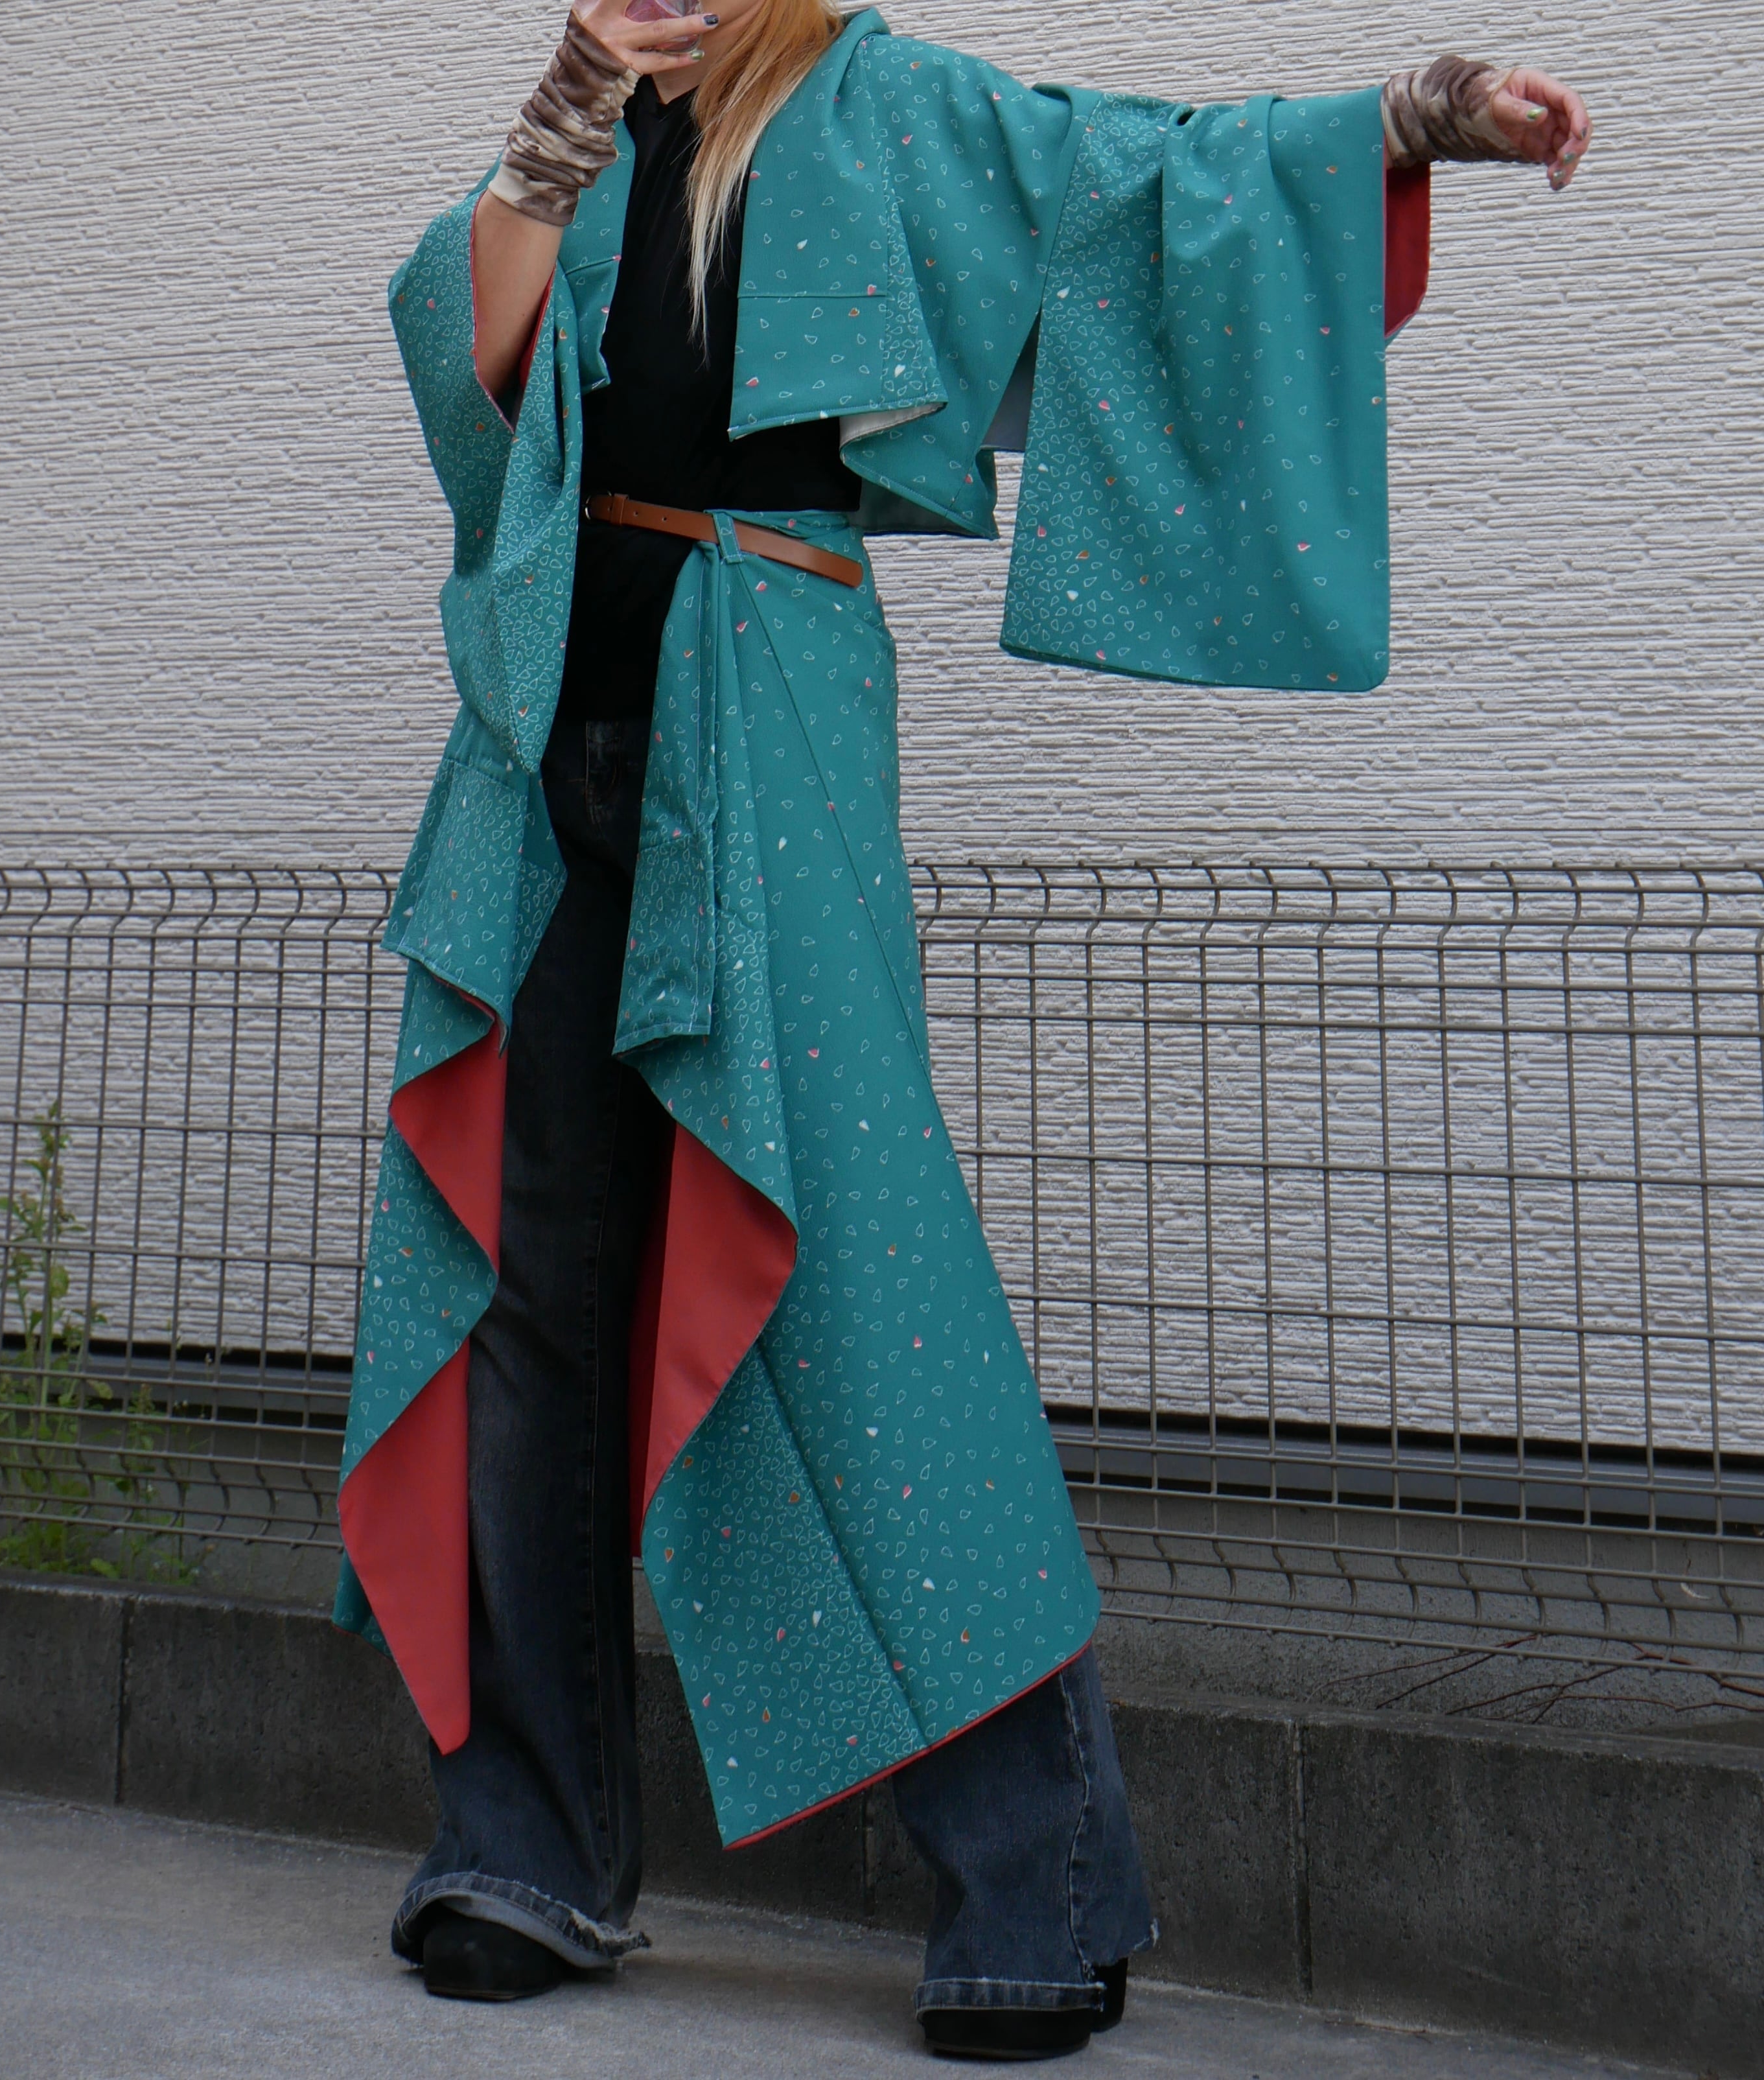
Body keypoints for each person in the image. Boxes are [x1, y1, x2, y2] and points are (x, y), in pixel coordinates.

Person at [334, 2, 1592, 2058]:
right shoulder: (591, 131)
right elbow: (479, 382)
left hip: (769, 697)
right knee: (523, 1288)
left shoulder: (884, 100)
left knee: (855, 1276)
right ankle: (522, 1852)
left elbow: (1154, 183)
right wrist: (564, 109)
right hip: (541, 731)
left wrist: (1413, 116)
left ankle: (1040, 1883)